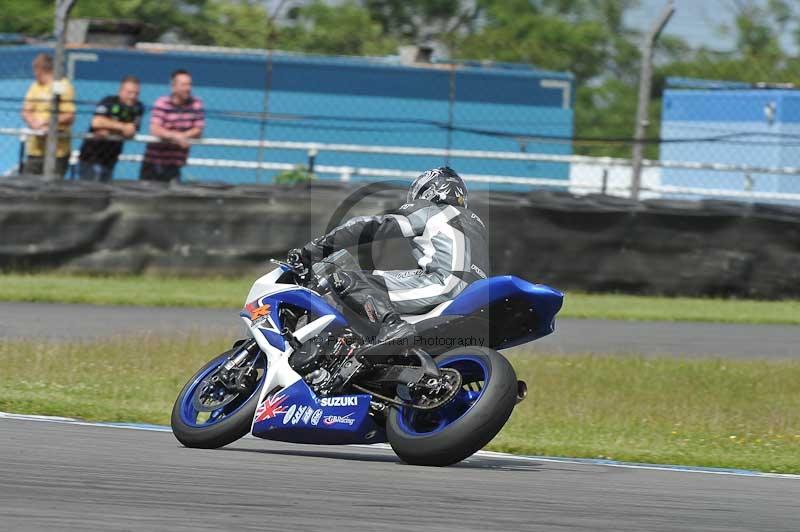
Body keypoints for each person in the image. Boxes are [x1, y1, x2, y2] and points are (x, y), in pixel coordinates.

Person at [295, 167, 490, 345]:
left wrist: (316, 247)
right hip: (476, 295)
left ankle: (392, 325)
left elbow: (371, 226)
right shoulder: (475, 223)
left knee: (345, 277)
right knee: (376, 280)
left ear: (429, 191)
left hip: (442, 285)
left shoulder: (431, 209)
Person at [140, 69, 204, 182]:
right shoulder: (162, 103)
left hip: (175, 164)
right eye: (184, 85)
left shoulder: (196, 104)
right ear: (173, 87)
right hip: (154, 162)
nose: (188, 88)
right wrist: (175, 136)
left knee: (171, 197)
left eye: (189, 84)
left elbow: (198, 129)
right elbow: (155, 129)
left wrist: (183, 135)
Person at [78, 76, 144, 182]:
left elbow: (131, 131)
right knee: (91, 192)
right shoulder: (109, 101)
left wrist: (109, 128)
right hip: (90, 157)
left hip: (111, 159)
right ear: (120, 91)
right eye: (129, 92)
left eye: (136, 93)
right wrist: (122, 127)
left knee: (105, 193)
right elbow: (96, 122)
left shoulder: (138, 107)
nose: (132, 96)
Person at [20, 53, 76, 178]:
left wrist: (46, 122)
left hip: (57, 151)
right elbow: (26, 110)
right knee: (28, 183)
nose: (34, 73)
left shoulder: (62, 86)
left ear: (40, 69)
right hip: (35, 149)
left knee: (52, 186)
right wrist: (34, 123)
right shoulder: (35, 86)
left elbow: (69, 116)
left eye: (35, 69)